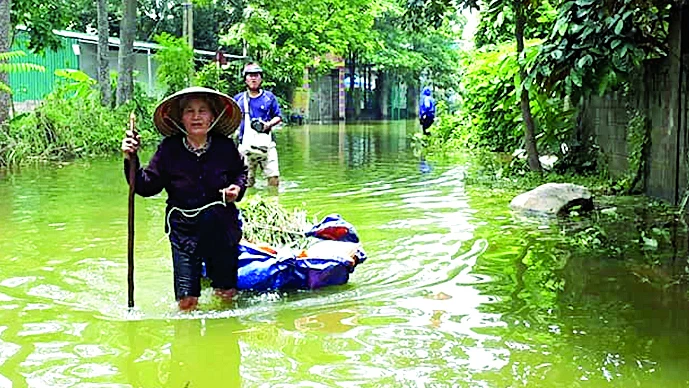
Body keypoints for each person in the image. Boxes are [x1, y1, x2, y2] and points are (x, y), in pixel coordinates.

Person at [121, 86, 247, 311]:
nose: (196, 116)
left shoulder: (225, 147)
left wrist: (236, 189)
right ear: (180, 118)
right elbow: (145, 186)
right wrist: (131, 158)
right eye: (189, 111)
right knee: (187, 302)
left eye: (202, 111)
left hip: (222, 228)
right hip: (184, 233)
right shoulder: (169, 150)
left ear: (212, 116)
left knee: (226, 295)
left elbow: (241, 173)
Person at [233, 62, 283, 188]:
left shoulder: (269, 97)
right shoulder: (238, 99)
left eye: (256, 75)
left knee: (273, 178)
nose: (253, 78)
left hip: (266, 144)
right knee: (245, 182)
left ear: (261, 78)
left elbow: (278, 116)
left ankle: (273, 201)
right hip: (245, 145)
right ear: (245, 79)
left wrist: (268, 125)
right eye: (250, 75)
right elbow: (230, 119)